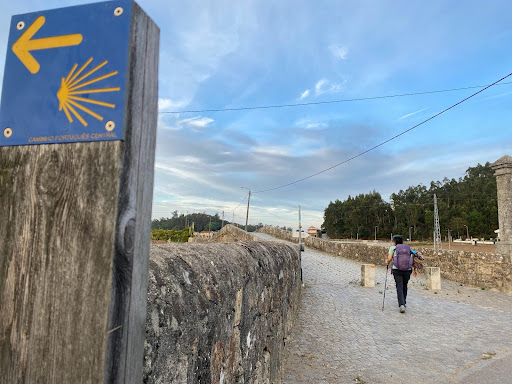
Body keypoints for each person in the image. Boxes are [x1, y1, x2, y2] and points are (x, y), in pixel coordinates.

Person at [386, 235, 417, 313]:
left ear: (394, 241)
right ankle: (404, 302)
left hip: (397, 269)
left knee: (399, 286)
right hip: (407, 270)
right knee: (404, 286)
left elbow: (389, 259)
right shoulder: (407, 247)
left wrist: (386, 261)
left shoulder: (393, 248)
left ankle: (402, 304)